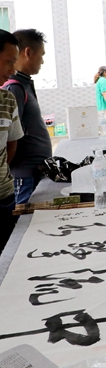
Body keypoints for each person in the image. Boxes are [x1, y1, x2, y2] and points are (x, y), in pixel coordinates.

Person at [3, 29, 51, 204]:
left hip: (33, 172)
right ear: (28, 52)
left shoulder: (23, 84)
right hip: (24, 174)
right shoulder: (13, 88)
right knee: (24, 218)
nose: (42, 61)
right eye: (41, 55)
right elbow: (9, 138)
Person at [0, 30, 24, 254]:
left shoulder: (7, 99)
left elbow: (11, 143)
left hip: (5, 197)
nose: (13, 70)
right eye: (9, 62)